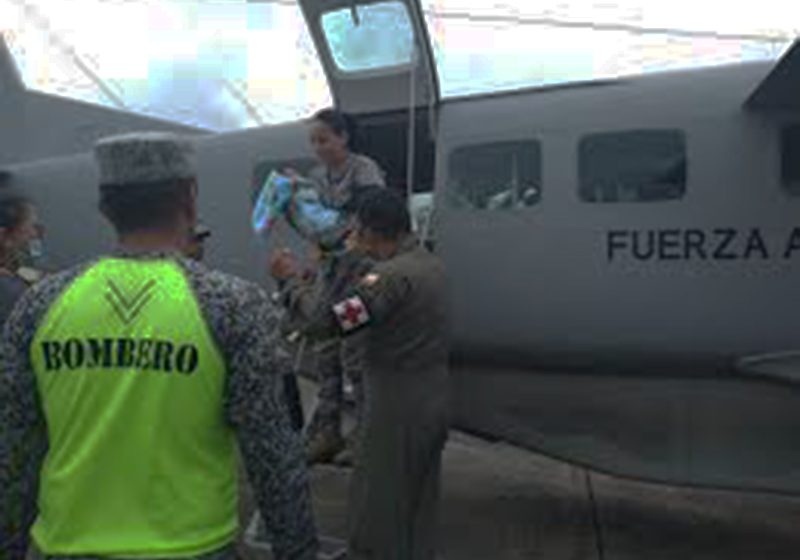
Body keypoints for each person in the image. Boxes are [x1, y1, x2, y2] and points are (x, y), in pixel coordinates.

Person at [0, 132, 317, 560]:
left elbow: (14, 452)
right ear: (190, 199)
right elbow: (275, 457)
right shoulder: (236, 306)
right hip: (194, 546)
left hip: (65, 546)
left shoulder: (41, 304)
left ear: (105, 209)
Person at [271, 189, 450, 560]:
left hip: (394, 409)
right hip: (430, 397)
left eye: (356, 229)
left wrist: (291, 283)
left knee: (377, 502)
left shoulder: (387, 279)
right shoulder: (429, 264)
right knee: (416, 502)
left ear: (370, 229)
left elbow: (326, 323)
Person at [292, 108, 386, 464]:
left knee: (355, 352)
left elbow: (372, 216)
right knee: (326, 351)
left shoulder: (364, 170)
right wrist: (312, 261)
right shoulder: (318, 177)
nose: (318, 147)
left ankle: (364, 437)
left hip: (360, 276)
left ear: (343, 137)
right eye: (314, 141)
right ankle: (328, 432)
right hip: (331, 274)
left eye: (324, 139)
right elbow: (316, 228)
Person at [0, 187, 44, 325]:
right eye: (30, 227)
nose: (35, 234)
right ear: (4, 237)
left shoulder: (17, 273)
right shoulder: (10, 291)